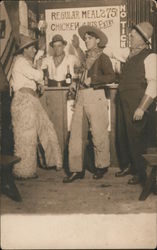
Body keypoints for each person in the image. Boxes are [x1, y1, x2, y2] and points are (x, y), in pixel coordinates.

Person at [63, 25, 115, 183]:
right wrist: (75, 83)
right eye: (85, 39)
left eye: (89, 38)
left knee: (99, 133)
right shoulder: (85, 58)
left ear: (97, 40)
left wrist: (93, 80)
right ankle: (76, 169)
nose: (86, 41)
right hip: (81, 96)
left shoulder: (103, 57)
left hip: (96, 96)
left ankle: (101, 166)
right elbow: (81, 77)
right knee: (76, 135)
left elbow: (111, 77)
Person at [10, 34, 62, 180]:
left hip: (31, 100)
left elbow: (35, 80)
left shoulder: (26, 63)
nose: (34, 51)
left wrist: (39, 83)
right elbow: (37, 75)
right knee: (26, 137)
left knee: (46, 128)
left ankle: (53, 161)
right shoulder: (20, 61)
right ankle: (23, 171)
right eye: (32, 48)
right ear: (25, 50)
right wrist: (39, 71)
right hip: (23, 102)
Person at [114, 22, 157, 186]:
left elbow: (154, 84)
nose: (129, 37)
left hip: (138, 103)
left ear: (143, 38)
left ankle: (141, 173)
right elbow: (113, 52)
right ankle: (130, 167)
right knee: (125, 135)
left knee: (138, 138)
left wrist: (142, 107)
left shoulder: (151, 56)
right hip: (125, 103)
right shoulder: (131, 54)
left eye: (132, 35)